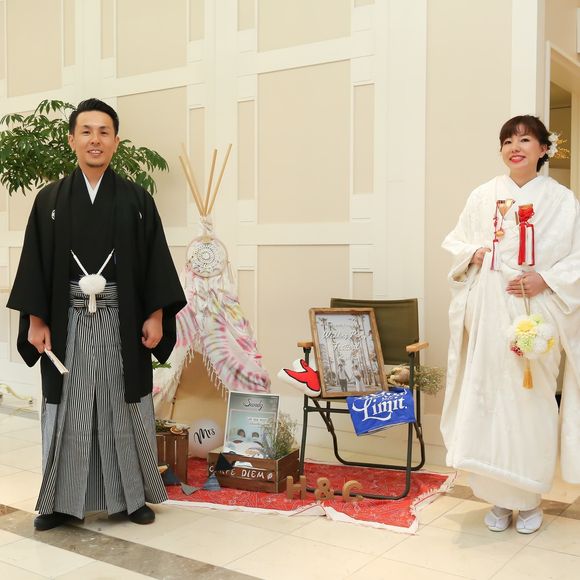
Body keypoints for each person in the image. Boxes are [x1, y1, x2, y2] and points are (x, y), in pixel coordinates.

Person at [7, 99, 186, 531]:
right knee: (67, 407)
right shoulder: (49, 200)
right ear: (72, 140)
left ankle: (131, 498)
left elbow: (155, 261)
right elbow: (34, 263)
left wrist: (155, 315)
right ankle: (59, 502)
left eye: (104, 132)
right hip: (66, 318)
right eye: (86, 131)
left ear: (116, 141)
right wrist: (36, 321)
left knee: (122, 403)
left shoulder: (136, 200)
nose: (95, 140)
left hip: (121, 318)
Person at [441, 115, 580, 535]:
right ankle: (498, 498)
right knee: (488, 397)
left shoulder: (562, 200)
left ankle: (530, 497)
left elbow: (575, 257)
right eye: (507, 141)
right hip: (490, 312)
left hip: (537, 312)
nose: (514, 147)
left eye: (524, 139)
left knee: (531, 401)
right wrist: (474, 255)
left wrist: (546, 279)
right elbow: (459, 241)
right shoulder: (483, 195)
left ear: (543, 149)